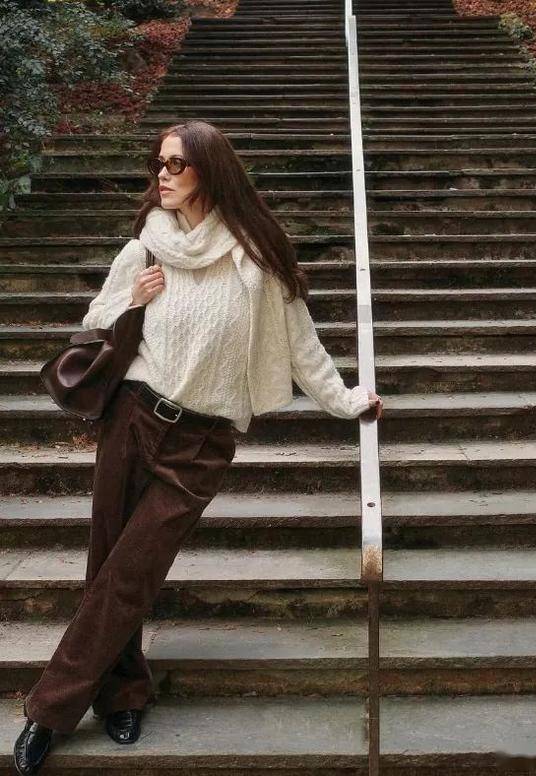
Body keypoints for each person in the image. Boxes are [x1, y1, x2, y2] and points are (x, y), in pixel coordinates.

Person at [13, 119, 383, 775]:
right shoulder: (146, 246)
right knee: (110, 568)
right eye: (158, 163)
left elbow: (303, 348)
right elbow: (96, 319)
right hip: (133, 417)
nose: (161, 175)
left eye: (176, 165)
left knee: (132, 571)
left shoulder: (257, 257)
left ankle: (47, 711)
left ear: (210, 171)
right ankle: (124, 693)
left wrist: (347, 400)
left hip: (202, 440)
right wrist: (132, 299)